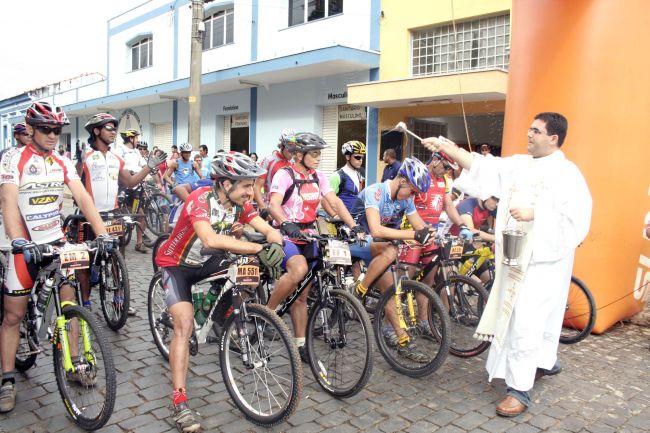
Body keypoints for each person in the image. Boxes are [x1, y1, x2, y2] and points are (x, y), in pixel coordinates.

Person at [423, 112, 592, 417]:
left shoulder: (568, 174)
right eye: (529, 128)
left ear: (553, 138)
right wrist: (446, 147)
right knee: (521, 319)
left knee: (528, 321)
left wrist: (535, 213)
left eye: (535, 131)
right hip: (514, 258)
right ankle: (540, 362)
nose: (528, 134)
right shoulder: (520, 164)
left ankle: (520, 389)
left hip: (543, 262)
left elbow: (577, 218)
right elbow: (485, 167)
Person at [154, 151, 284, 432]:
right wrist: (259, 248)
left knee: (249, 274)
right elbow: (209, 238)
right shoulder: (199, 200)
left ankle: (221, 319)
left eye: (253, 185)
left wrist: (277, 244)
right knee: (184, 326)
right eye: (247, 186)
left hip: (208, 259)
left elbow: (268, 230)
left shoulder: (241, 205)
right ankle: (180, 401)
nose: (252, 192)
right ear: (226, 184)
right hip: (177, 265)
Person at [0, 102, 114, 413]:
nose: (52, 135)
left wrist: (102, 234)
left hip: (55, 242)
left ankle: (74, 364)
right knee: (12, 316)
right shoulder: (14, 159)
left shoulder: (62, 161)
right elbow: (9, 202)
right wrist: (19, 240)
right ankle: (7, 379)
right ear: (32, 129)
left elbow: (83, 198)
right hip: (23, 245)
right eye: (46, 129)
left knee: (70, 301)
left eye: (57, 130)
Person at [267, 132, 362, 362]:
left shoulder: (318, 176)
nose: (319, 158)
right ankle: (268, 312)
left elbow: (334, 200)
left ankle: (300, 345)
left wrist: (353, 225)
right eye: (315, 154)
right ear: (299, 155)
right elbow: (273, 205)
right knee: (298, 270)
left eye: (320, 153)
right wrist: (286, 223)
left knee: (303, 295)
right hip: (286, 233)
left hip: (309, 234)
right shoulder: (285, 174)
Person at [76, 113, 166, 314]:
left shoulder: (116, 158)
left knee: (118, 258)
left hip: (113, 213)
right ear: (97, 131)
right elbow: (75, 185)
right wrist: (79, 163)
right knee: (85, 261)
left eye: (114, 128)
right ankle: (85, 302)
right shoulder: (88, 157)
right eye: (109, 128)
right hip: (89, 216)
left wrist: (149, 167)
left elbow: (131, 182)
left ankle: (119, 299)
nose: (113, 131)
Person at [254, 129, 297, 219]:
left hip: (288, 209)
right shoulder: (268, 160)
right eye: (290, 151)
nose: (292, 154)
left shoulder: (293, 162)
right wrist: (263, 208)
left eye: (294, 151)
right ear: (282, 146)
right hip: (270, 207)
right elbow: (257, 187)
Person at [328, 140, 366, 213]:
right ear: (348, 157)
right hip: (342, 220)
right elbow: (329, 200)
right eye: (357, 157)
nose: (361, 160)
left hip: (357, 217)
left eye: (362, 157)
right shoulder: (337, 175)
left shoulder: (360, 173)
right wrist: (335, 216)